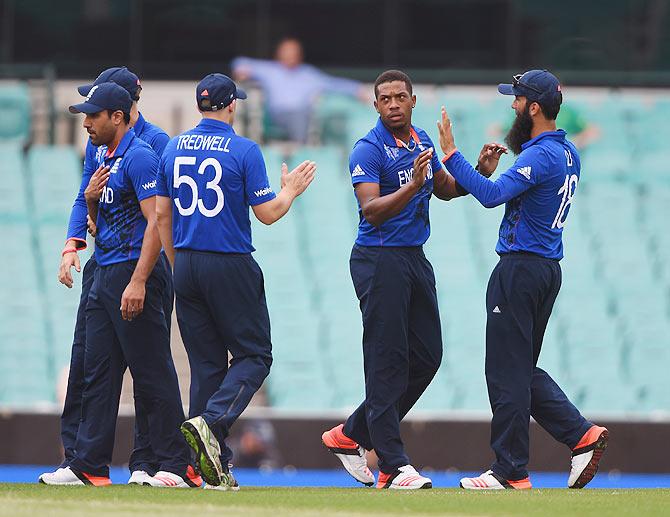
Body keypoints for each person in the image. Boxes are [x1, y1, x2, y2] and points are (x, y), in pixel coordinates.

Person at [437, 69, 609, 490]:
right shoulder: (568, 153)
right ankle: (580, 435)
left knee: (505, 373)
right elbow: (512, 189)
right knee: (518, 370)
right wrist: (492, 168)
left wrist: (452, 155)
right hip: (546, 270)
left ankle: (510, 470)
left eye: (515, 100)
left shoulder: (541, 156)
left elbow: (493, 196)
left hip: (520, 269)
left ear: (534, 107)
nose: (511, 106)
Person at [321, 70, 493, 490]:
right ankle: (393, 465)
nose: (394, 104)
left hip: (413, 257)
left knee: (428, 356)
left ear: (413, 101)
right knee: (387, 361)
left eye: (401, 96)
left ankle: (351, 433)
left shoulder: (421, 141)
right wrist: (411, 185)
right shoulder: (368, 148)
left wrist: (479, 174)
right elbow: (371, 210)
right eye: (386, 98)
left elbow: (443, 189)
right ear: (376, 105)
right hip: (379, 259)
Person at [155, 73, 316, 489]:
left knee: (206, 366)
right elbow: (267, 213)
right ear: (231, 106)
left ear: (199, 106)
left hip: (186, 262)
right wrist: (292, 190)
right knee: (255, 355)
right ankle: (211, 424)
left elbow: (161, 216)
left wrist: (179, 264)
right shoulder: (244, 149)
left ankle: (202, 466)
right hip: (229, 261)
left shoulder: (173, 147)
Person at [41, 82, 196, 488]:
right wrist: (90, 206)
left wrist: (139, 280)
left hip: (131, 271)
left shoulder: (143, 156)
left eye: (93, 116)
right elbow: (101, 213)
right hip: (105, 271)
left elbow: (157, 222)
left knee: (152, 372)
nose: (86, 123)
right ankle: (89, 465)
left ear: (118, 116)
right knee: (97, 371)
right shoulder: (102, 155)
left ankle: (177, 466)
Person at [232, 37, 366, 143]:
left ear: (300, 54)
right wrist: (241, 70)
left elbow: (333, 84)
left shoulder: (308, 74)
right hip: (276, 115)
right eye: (286, 51)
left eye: (294, 51)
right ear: (279, 53)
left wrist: (357, 89)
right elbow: (239, 62)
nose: (290, 55)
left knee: (312, 113)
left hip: (304, 116)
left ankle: (301, 152)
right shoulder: (270, 69)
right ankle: (299, 148)